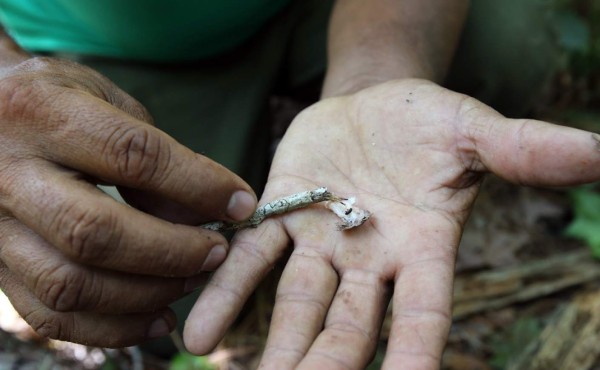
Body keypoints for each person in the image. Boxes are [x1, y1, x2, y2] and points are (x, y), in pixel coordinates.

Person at [0, 0, 597, 369]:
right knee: (145, 275)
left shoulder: (337, 204)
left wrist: (374, 77)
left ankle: (307, 103)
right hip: (96, 49)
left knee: (515, 41)